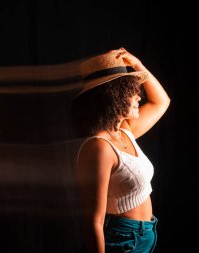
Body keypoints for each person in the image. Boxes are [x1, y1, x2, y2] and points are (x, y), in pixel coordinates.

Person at [72, 48, 170, 253]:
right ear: (112, 96)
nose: (138, 95)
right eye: (129, 90)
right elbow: (94, 222)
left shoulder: (125, 132)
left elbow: (162, 101)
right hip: (122, 241)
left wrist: (138, 65)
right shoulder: (99, 147)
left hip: (145, 235)